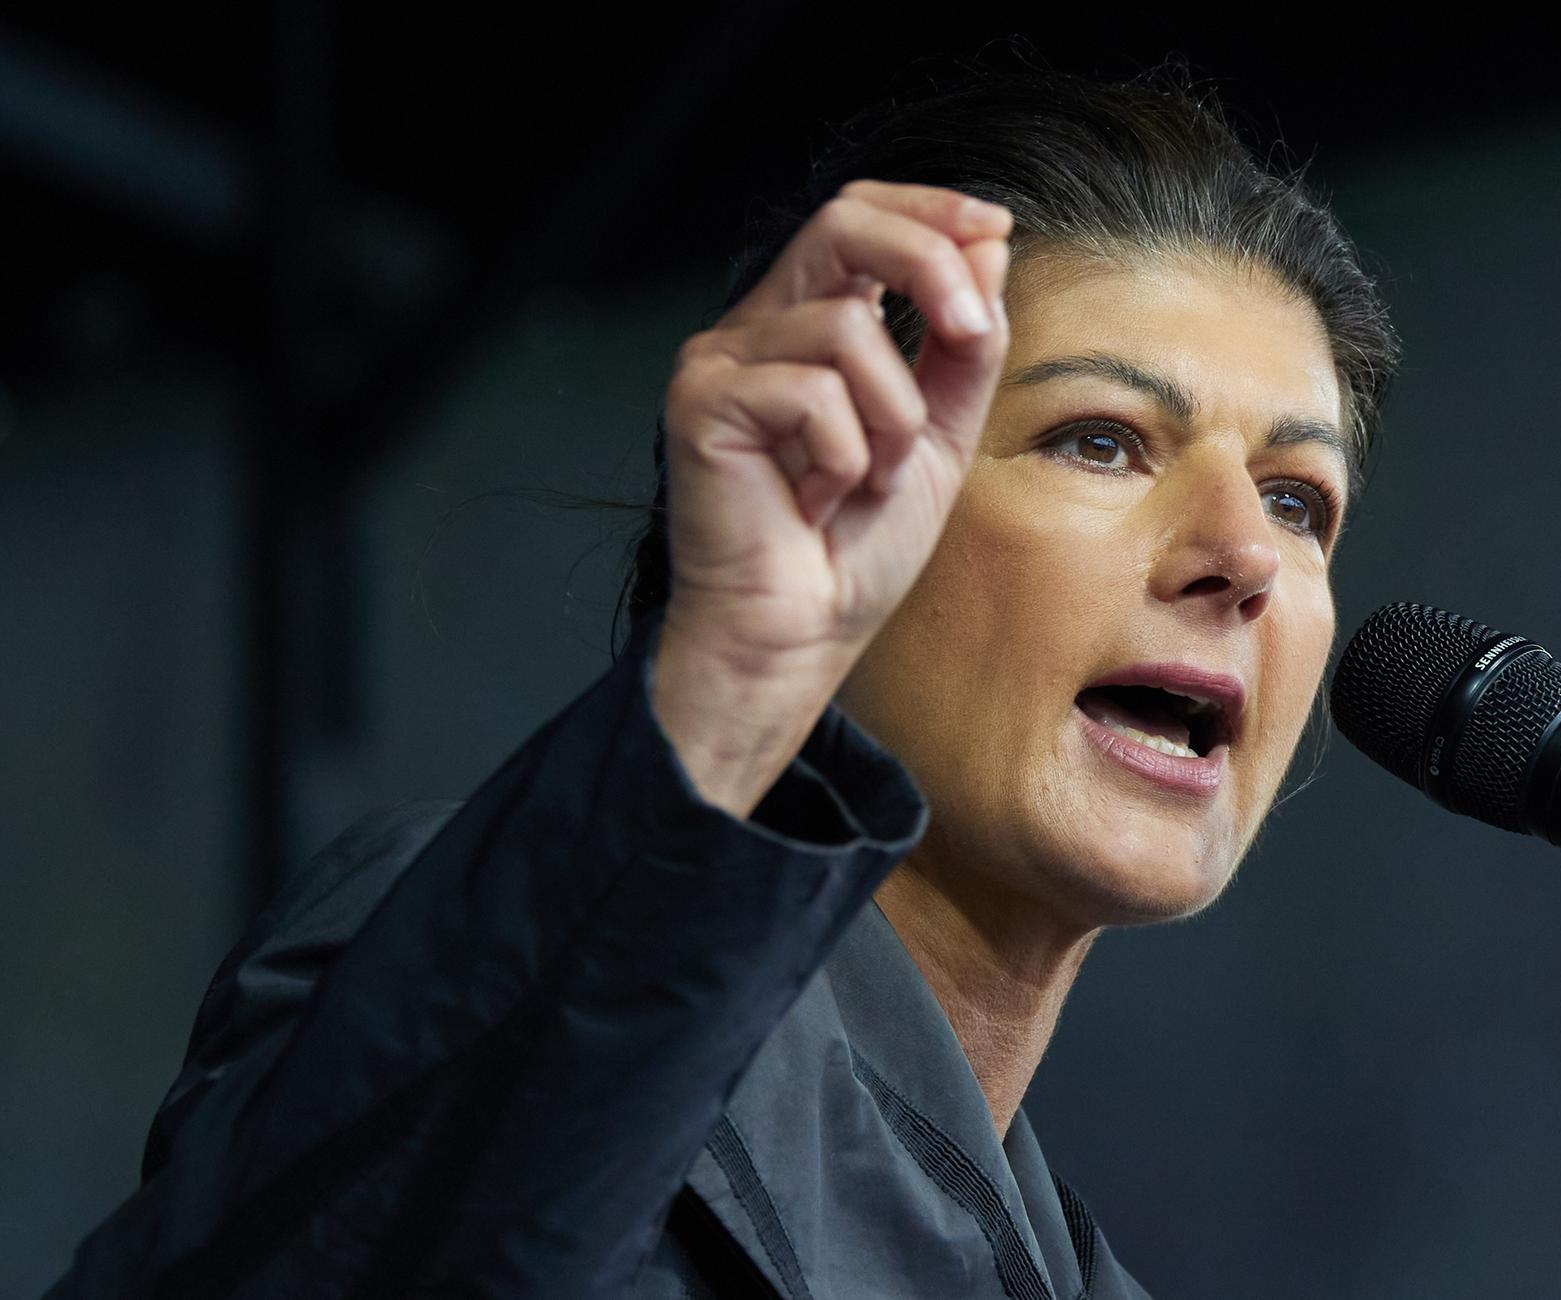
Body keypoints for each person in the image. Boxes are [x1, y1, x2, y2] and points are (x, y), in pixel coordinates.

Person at [47, 65, 1398, 1299]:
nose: (1242, 557)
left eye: (1297, 498)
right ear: (831, 491)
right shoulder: (486, 951)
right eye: (1100, 442)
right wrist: (730, 679)